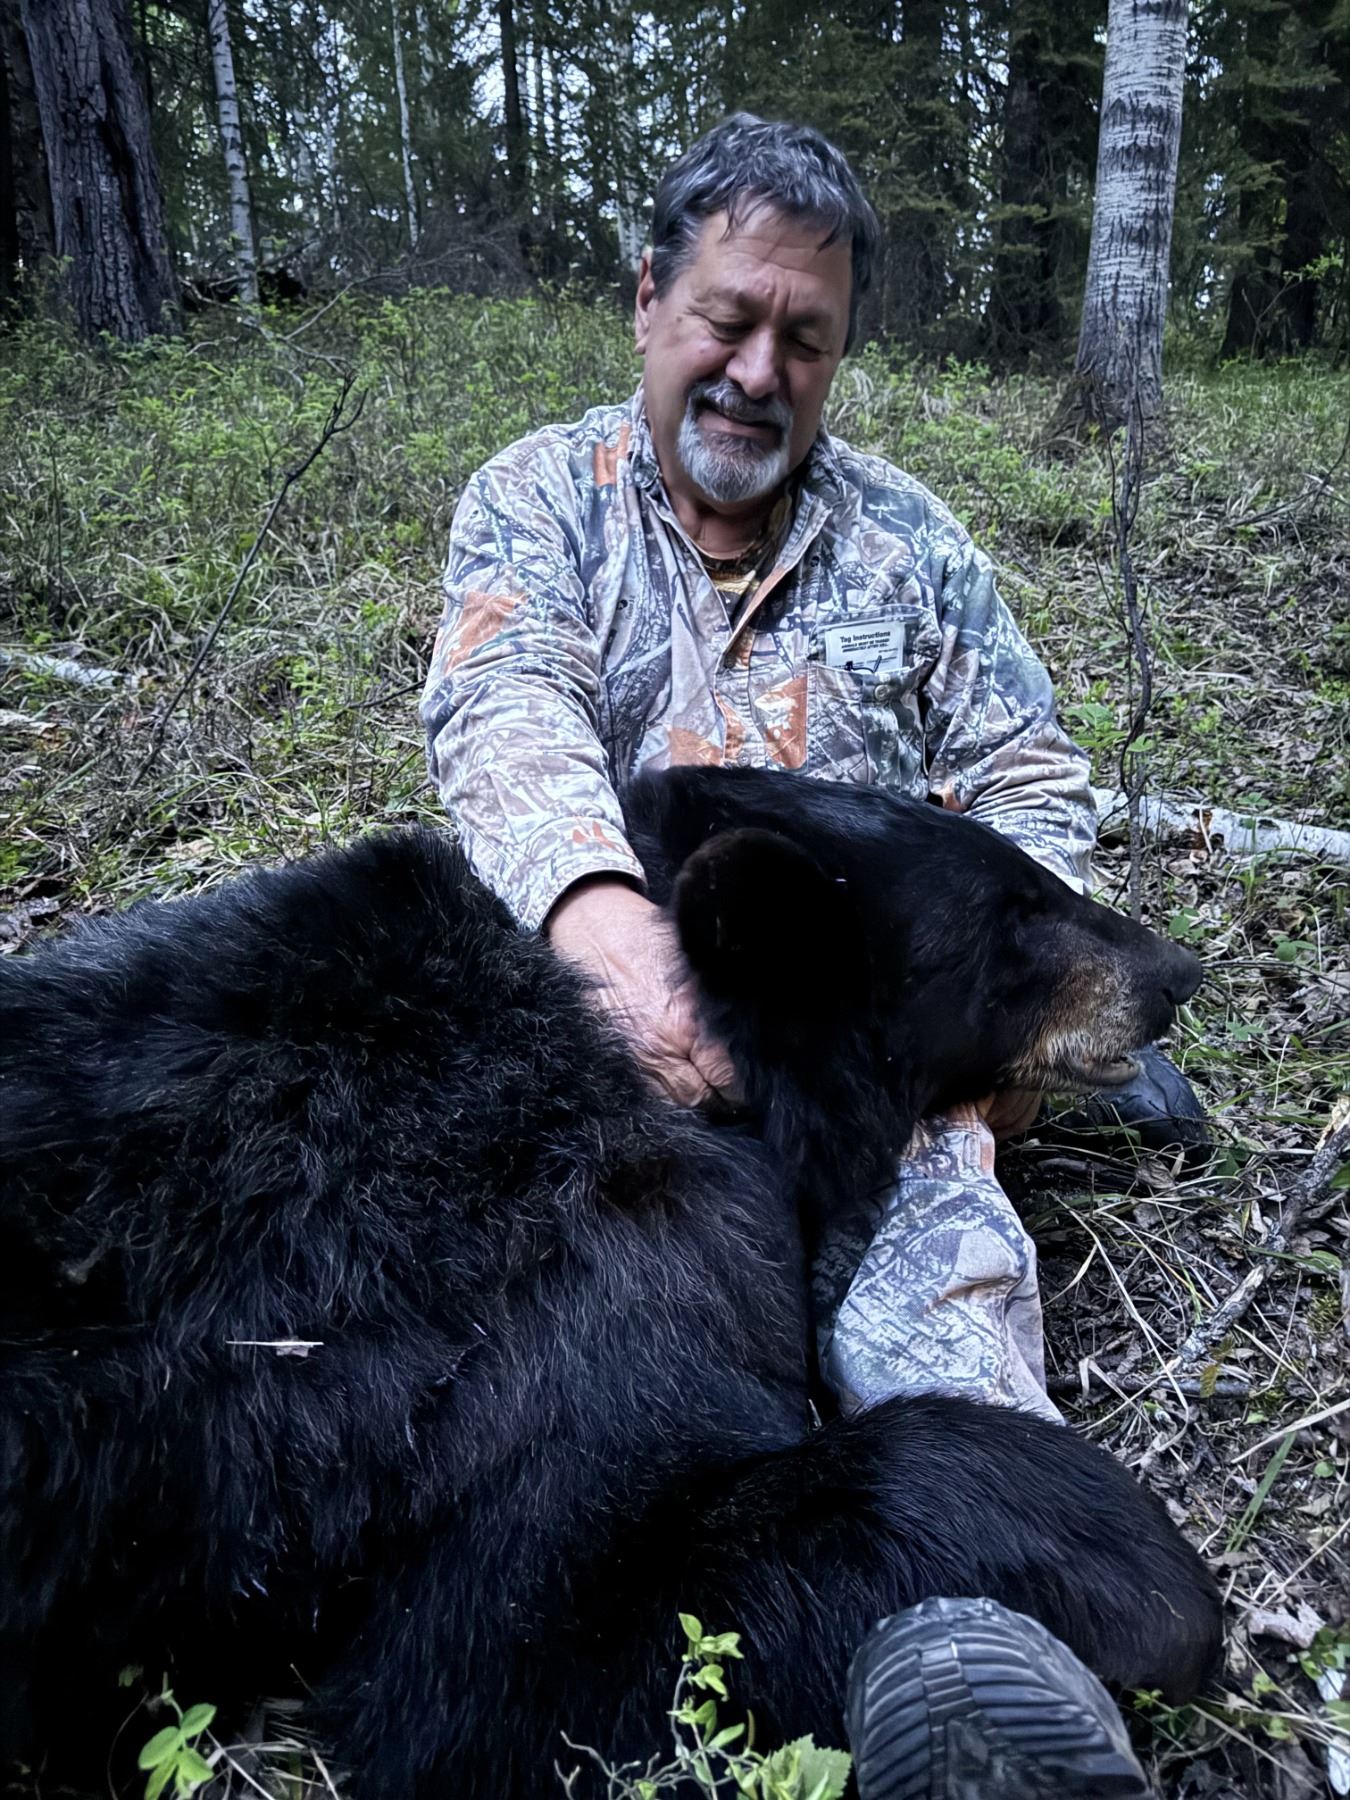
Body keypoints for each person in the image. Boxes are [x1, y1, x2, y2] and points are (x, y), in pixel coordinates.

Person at [421, 112, 1199, 1800]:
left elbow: (1026, 782)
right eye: (727, 318)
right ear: (649, 300)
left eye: (806, 338)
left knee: (937, 1270)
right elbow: (501, 704)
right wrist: (601, 925)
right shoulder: (540, 500)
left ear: (840, 352)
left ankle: (988, 1648)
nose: (758, 372)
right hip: (602, 1040)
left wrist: (1001, 1025)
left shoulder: (910, 544)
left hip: (857, 1058)